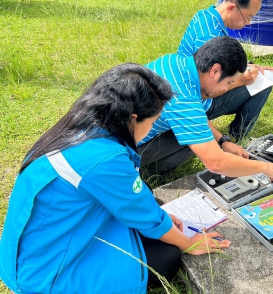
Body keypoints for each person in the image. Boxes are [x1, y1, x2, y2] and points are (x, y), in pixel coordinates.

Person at [0, 64, 230, 294]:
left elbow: (137, 203)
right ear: (132, 118)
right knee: (167, 255)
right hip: (46, 274)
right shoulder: (105, 160)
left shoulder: (75, 130)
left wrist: (160, 217)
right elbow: (146, 217)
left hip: (36, 248)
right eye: (152, 122)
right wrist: (190, 243)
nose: (151, 129)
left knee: (156, 211)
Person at [138, 36, 273, 182]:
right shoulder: (182, 97)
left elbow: (197, 117)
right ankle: (142, 173)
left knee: (200, 136)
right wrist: (267, 168)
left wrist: (223, 142)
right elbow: (216, 163)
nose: (226, 88)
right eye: (228, 82)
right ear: (215, 70)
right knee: (197, 143)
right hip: (122, 151)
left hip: (125, 131)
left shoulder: (174, 62)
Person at [177, 0, 273, 141]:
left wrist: (249, 66)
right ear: (231, 7)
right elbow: (206, 89)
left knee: (257, 75)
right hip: (197, 102)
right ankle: (239, 136)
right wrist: (240, 81)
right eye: (247, 17)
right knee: (264, 83)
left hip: (187, 91)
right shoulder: (209, 36)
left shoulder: (206, 16)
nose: (248, 23)